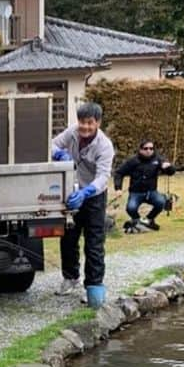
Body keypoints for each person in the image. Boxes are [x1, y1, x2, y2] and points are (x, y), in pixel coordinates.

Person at [51, 101, 115, 309]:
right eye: (81, 122)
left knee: (94, 241)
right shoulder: (71, 133)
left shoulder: (104, 146)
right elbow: (50, 144)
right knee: (68, 237)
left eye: (89, 123)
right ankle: (70, 278)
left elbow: (103, 176)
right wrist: (59, 153)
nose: (85, 127)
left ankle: (94, 285)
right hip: (71, 191)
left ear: (97, 122)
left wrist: (86, 192)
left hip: (94, 195)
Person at [115, 139, 176, 233]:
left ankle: (149, 220)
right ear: (140, 149)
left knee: (161, 202)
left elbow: (171, 173)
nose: (149, 151)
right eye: (146, 148)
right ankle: (138, 221)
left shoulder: (157, 160)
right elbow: (119, 173)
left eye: (151, 148)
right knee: (130, 208)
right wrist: (118, 188)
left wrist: (169, 167)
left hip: (151, 192)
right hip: (136, 192)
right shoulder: (133, 161)